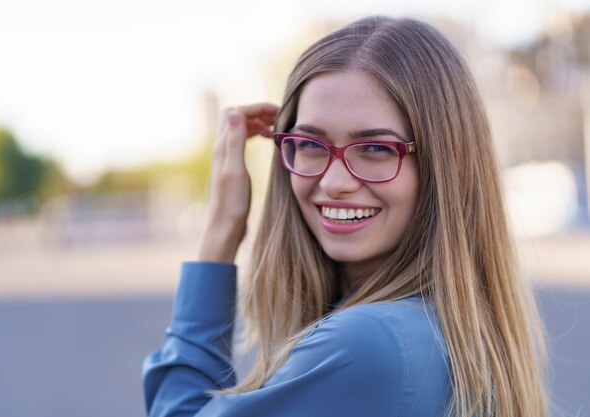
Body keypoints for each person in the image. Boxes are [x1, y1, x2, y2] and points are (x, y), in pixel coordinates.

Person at [143, 16, 546, 417]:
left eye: (375, 149)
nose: (335, 181)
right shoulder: (452, 331)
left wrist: (219, 234)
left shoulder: (368, 344)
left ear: (445, 167)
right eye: (311, 144)